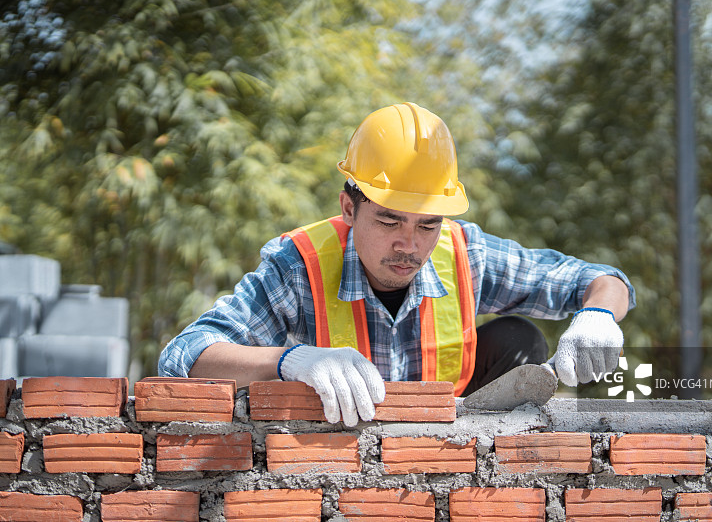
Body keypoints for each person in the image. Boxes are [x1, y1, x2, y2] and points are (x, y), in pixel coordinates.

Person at [159, 102, 635, 426]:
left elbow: (600, 280)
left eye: (427, 225)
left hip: (452, 456)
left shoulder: (466, 254)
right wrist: (291, 362)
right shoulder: (300, 265)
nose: (409, 244)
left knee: (519, 340)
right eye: (389, 221)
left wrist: (598, 314)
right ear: (349, 208)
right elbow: (184, 356)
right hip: (336, 459)